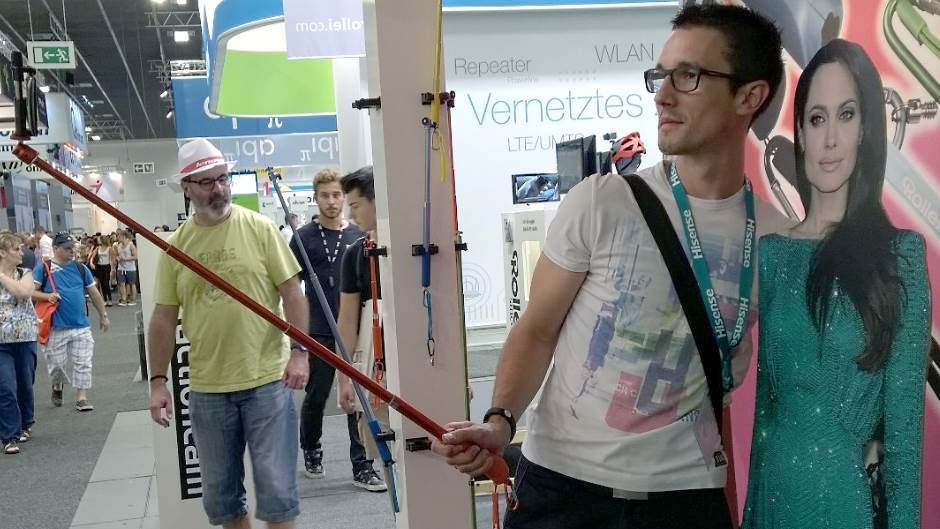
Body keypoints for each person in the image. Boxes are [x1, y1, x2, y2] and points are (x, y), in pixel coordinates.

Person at [432, 5, 790, 528]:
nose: (663, 95)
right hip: (562, 490)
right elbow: (537, 329)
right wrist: (499, 422)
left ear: (749, 96)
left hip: (687, 498)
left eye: (689, 76)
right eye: (661, 76)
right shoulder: (603, 201)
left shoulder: (780, 241)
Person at [741, 39, 930, 529]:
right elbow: (765, 419)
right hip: (776, 502)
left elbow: (904, 440)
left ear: (865, 129)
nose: (829, 140)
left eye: (846, 115)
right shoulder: (773, 255)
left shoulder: (901, 256)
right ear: (801, 133)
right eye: (816, 118)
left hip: (847, 507)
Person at [147, 137, 310, 529]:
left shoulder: (260, 229)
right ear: (187, 188)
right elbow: (163, 317)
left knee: (278, 494)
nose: (219, 188)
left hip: (267, 380)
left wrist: (299, 352)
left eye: (223, 178)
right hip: (208, 388)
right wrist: (157, 381)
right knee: (222, 498)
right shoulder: (177, 247)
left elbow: (293, 292)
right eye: (207, 182)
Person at [288, 168, 385, 490]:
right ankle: (311, 447)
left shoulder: (358, 236)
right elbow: (290, 288)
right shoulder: (303, 238)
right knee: (317, 395)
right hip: (317, 328)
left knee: (356, 398)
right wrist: (296, 341)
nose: (332, 201)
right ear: (316, 198)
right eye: (325, 195)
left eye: (337, 195)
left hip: (358, 328)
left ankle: (362, 464)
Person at [335, 167, 391, 492]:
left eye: (355, 205)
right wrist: (345, 377)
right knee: (387, 453)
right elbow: (347, 320)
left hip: (420, 364)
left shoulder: (415, 247)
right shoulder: (356, 255)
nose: (350, 214)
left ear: (376, 200)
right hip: (376, 366)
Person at [35, 233, 110, 412]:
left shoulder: (80, 268)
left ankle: (81, 397)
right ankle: (57, 385)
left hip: (81, 325)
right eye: (67, 248)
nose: (72, 251)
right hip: (55, 327)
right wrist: (47, 297)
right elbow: (31, 293)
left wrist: (103, 315)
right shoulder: (44, 268)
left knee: (83, 362)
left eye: (72, 248)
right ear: (55, 249)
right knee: (56, 365)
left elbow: (93, 292)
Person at [0, 231, 38, 455]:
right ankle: (9, 436)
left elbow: (23, 292)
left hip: (25, 337)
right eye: (16, 249)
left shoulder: (25, 273)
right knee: (6, 387)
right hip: (1, 342)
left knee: (25, 383)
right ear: (2, 253)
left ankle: (25, 423)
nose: (21, 253)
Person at [87, 236, 113, 307]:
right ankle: (104, 300)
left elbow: (111, 259)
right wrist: (91, 263)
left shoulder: (109, 248)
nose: (98, 241)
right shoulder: (98, 248)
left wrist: (112, 269)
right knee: (101, 284)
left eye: (99, 240)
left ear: (103, 240)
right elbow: (92, 256)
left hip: (106, 266)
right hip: (99, 266)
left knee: (106, 284)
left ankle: (109, 299)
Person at [115, 230, 138, 306]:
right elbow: (117, 255)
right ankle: (124, 300)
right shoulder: (118, 245)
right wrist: (118, 258)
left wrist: (125, 259)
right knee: (122, 284)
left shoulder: (131, 245)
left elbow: (136, 256)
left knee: (132, 284)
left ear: (123, 236)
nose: (117, 238)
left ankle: (133, 300)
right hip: (121, 268)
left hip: (130, 268)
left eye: (119, 236)